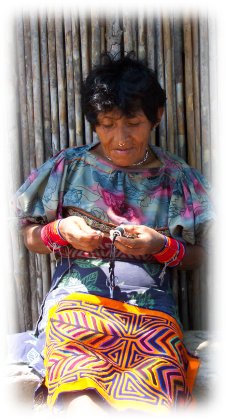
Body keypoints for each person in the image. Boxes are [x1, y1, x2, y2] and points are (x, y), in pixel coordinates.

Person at [14, 55, 214, 414]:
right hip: (76, 306)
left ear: (157, 116)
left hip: (150, 314)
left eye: (134, 123)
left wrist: (161, 245)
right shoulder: (68, 168)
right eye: (106, 125)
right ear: (95, 124)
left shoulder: (178, 178)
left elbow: (204, 255)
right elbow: (29, 235)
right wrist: (59, 230)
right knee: (79, 388)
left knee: (158, 378)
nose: (120, 138)